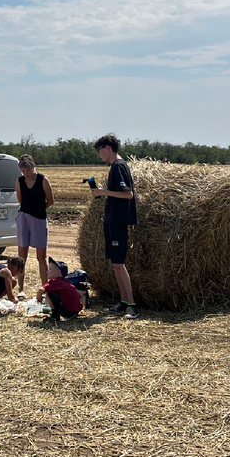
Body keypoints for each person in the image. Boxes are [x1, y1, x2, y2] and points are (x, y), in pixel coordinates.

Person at [88, 134, 139, 319]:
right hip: (111, 220)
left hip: (118, 221)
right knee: (115, 265)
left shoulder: (119, 166)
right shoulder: (114, 168)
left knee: (119, 264)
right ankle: (124, 301)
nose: (99, 155)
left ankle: (132, 305)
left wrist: (104, 191)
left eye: (99, 151)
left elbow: (128, 194)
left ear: (108, 148)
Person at [14, 154, 54, 291]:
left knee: (41, 257)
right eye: (23, 171)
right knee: (22, 257)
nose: (26, 174)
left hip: (39, 219)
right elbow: (20, 199)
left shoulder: (43, 180)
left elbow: (50, 200)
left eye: (28, 170)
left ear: (33, 167)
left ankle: (45, 288)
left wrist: (39, 209)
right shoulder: (19, 181)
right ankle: (21, 289)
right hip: (23, 217)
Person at [37, 257, 84, 323]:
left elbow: (41, 290)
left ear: (58, 272)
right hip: (76, 311)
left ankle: (55, 315)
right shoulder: (67, 282)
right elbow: (81, 294)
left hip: (68, 312)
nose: (47, 271)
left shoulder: (55, 282)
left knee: (49, 291)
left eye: (50, 269)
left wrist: (38, 297)